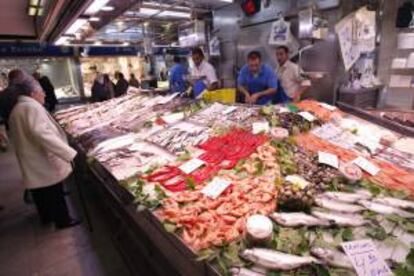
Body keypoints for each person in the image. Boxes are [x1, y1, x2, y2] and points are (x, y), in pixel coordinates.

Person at [0, 73, 80, 229]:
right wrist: (68, 153)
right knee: (54, 192)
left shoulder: (19, 108)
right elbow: (42, 134)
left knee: (41, 192)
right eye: (41, 91)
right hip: (41, 158)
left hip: (31, 158)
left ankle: (47, 217)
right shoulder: (31, 108)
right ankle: (63, 221)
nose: (44, 94)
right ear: (33, 94)